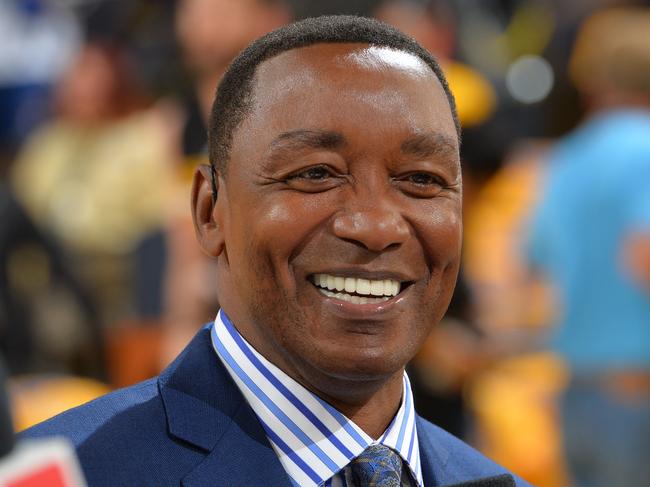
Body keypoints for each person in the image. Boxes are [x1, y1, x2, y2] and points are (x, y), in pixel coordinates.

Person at [21, 16, 530, 487]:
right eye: (315, 174)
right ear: (208, 211)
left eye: (422, 179)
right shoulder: (71, 471)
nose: (376, 226)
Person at [525, 8, 650, 487]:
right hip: (637, 387)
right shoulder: (645, 153)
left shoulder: (563, 159)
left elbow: (533, 260)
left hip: (576, 388)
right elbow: (643, 256)